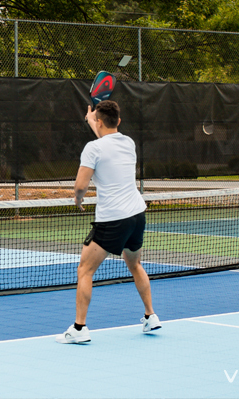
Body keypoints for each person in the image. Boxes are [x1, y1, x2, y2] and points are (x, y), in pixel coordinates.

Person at [56, 100, 161, 344]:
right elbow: (106, 141)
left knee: (85, 270)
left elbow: (81, 185)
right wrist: (93, 122)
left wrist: (78, 199)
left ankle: (79, 329)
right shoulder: (128, 142)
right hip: (137, 215)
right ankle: (150, 316)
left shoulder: (92, 148)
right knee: (135, 265)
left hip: (113, 219)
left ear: (101, 122)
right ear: (119, 121)